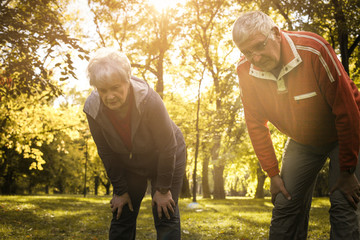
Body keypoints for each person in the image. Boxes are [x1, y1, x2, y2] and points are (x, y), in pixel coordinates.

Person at [232, 11, 360, 239]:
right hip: (302, 141)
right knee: (284, 201)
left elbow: (347, 110)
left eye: (259, 46)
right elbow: (255, 123)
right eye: (247, 52)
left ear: (275, 33)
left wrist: (348, 170)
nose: (256, 58)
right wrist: (272, 174)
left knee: (344, 202)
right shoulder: (245, 70)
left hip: (346, 132)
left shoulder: (314, 50)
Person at [83, 48, 186, 240]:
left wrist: (163, 190)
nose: (110, 95)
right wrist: (121, 191)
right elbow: (106, 152)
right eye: (103, 90)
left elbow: (167, 146)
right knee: (122, 213)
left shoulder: (149, 100)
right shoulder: (92, 109)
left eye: (115, 87)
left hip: (166, 155)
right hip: (130, 161)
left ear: (127, 81)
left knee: (165, 212)